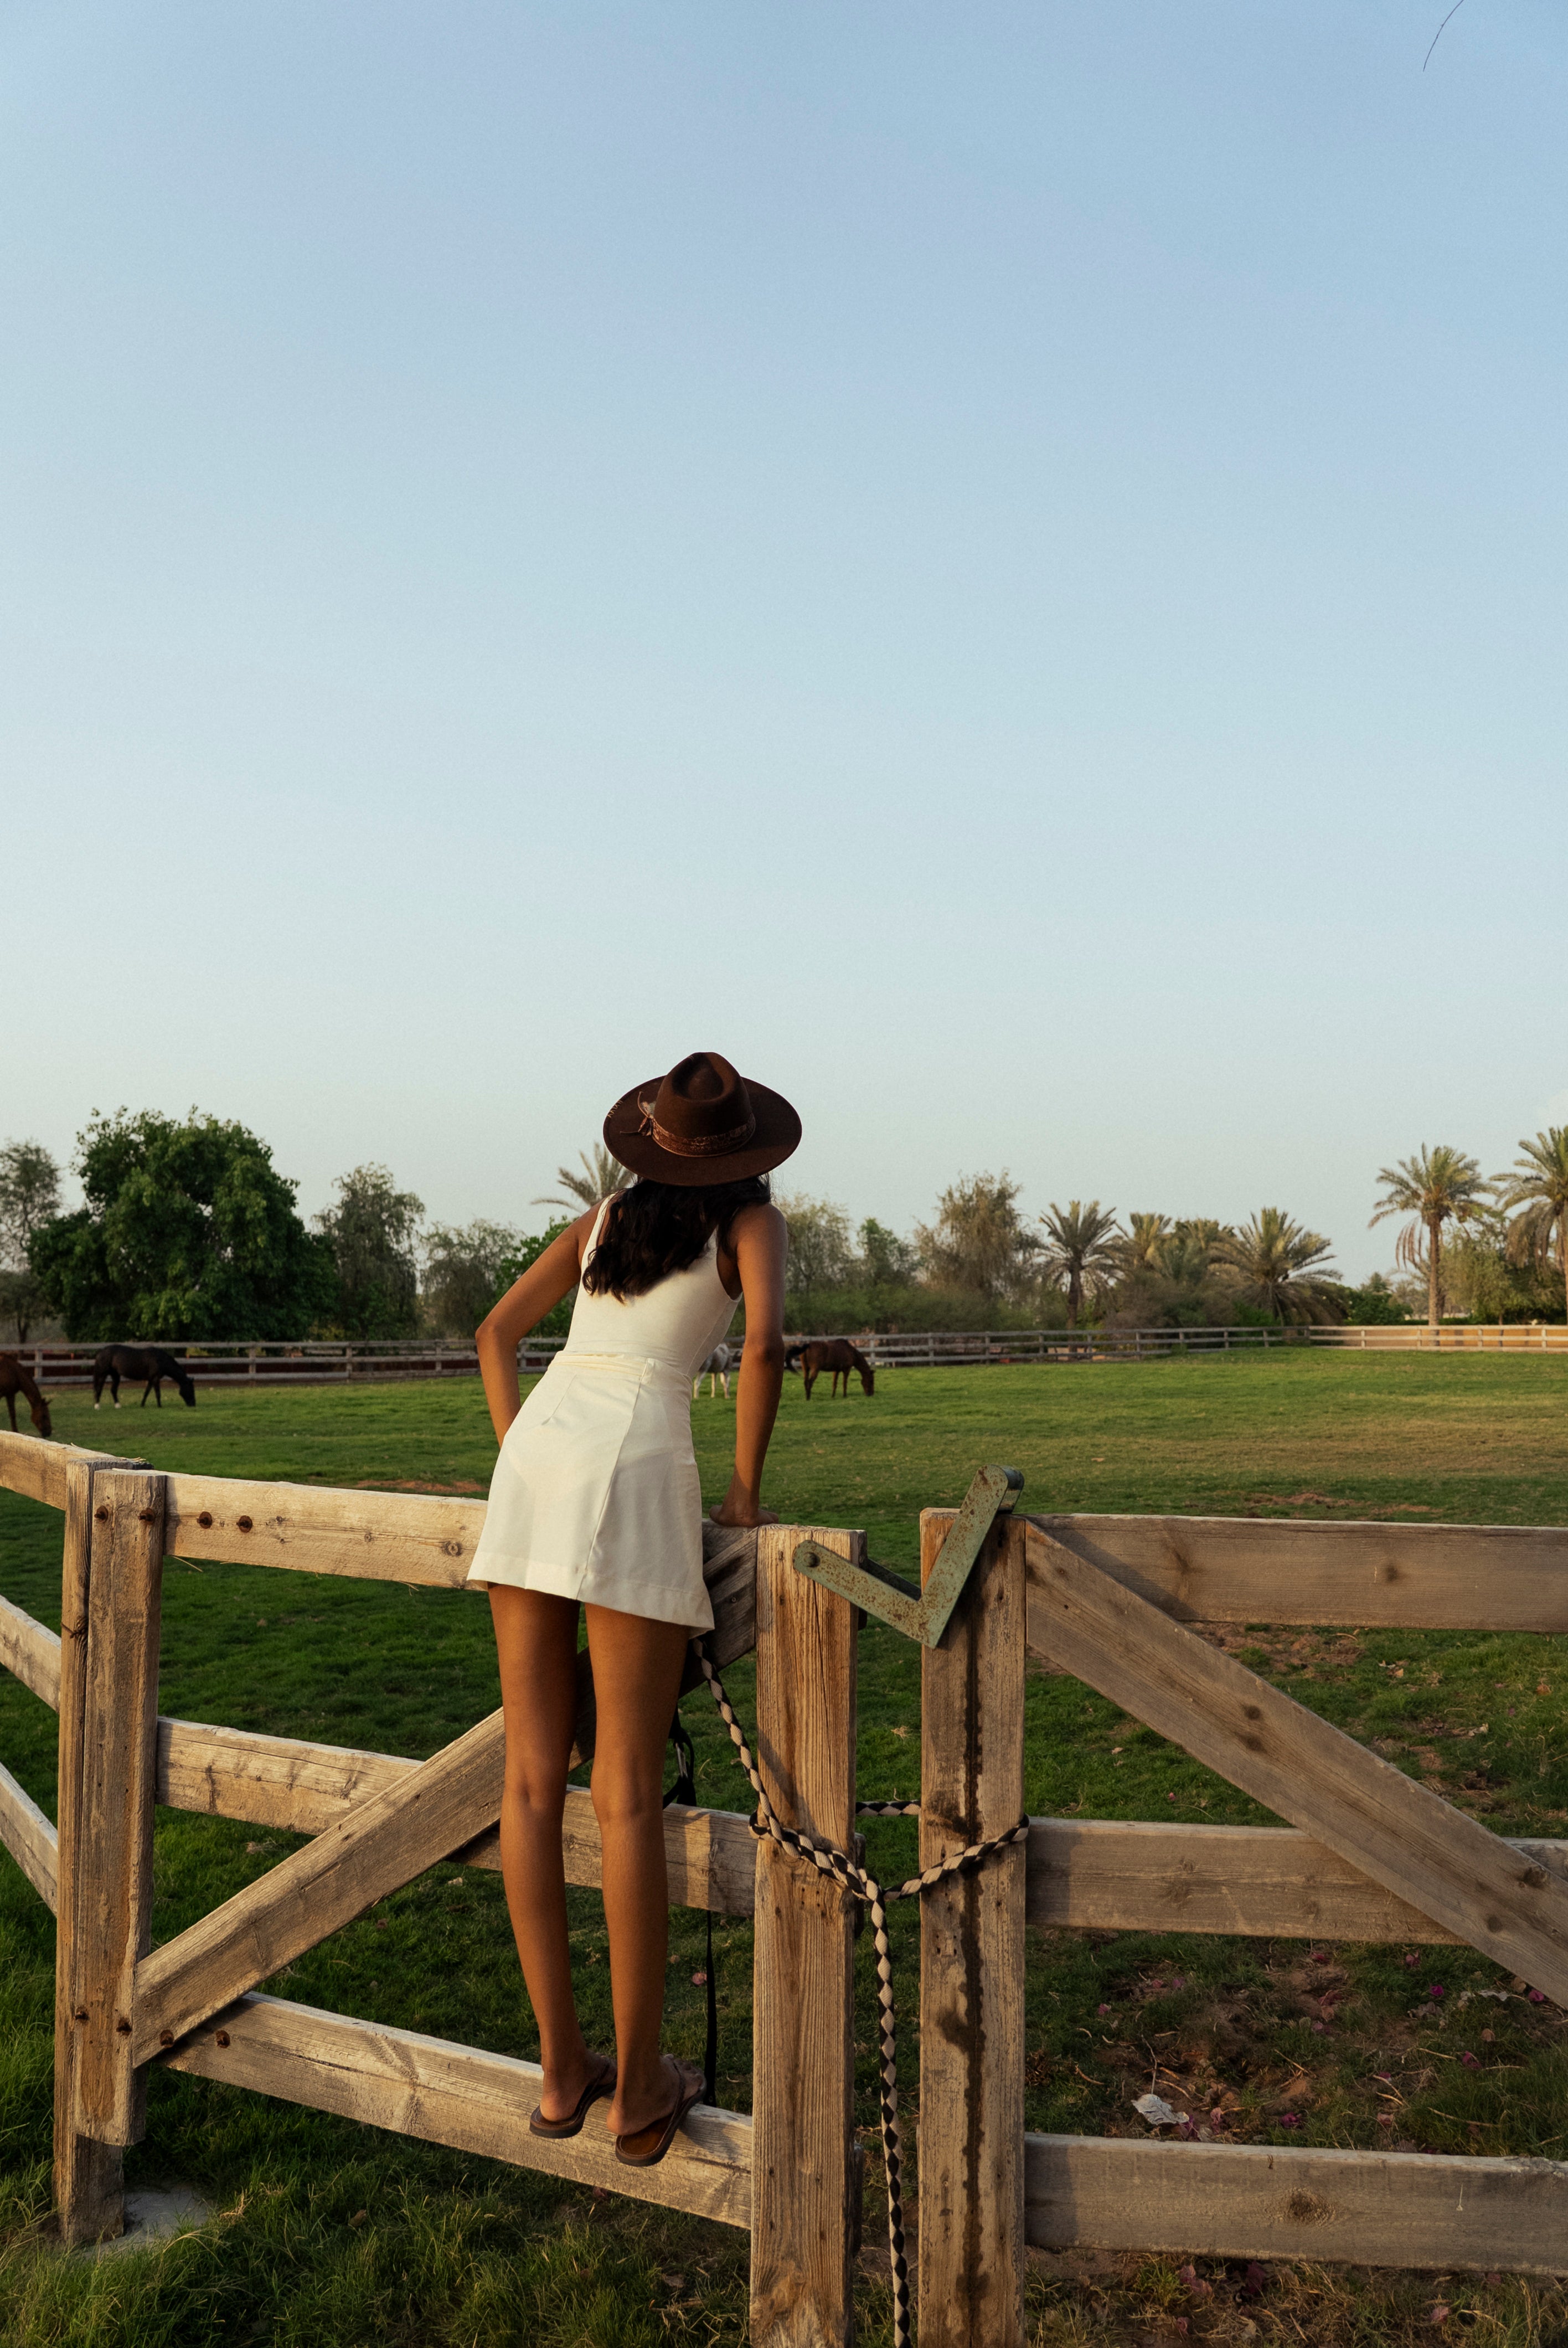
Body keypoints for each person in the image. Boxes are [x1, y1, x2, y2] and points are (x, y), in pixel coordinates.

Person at [470, 1051, 798, 2166]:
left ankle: (562, 2071)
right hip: (637, 1461)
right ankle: (639, 2085)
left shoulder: (603, 1218)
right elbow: (759, 1346)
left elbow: (494, 1335)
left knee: (527, 1776)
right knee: (621, 1793)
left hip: (544, 1454)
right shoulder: (751, 1224)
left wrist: (523, 1452)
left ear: (649, 1141)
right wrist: (745, 1489)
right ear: (747, 1147)